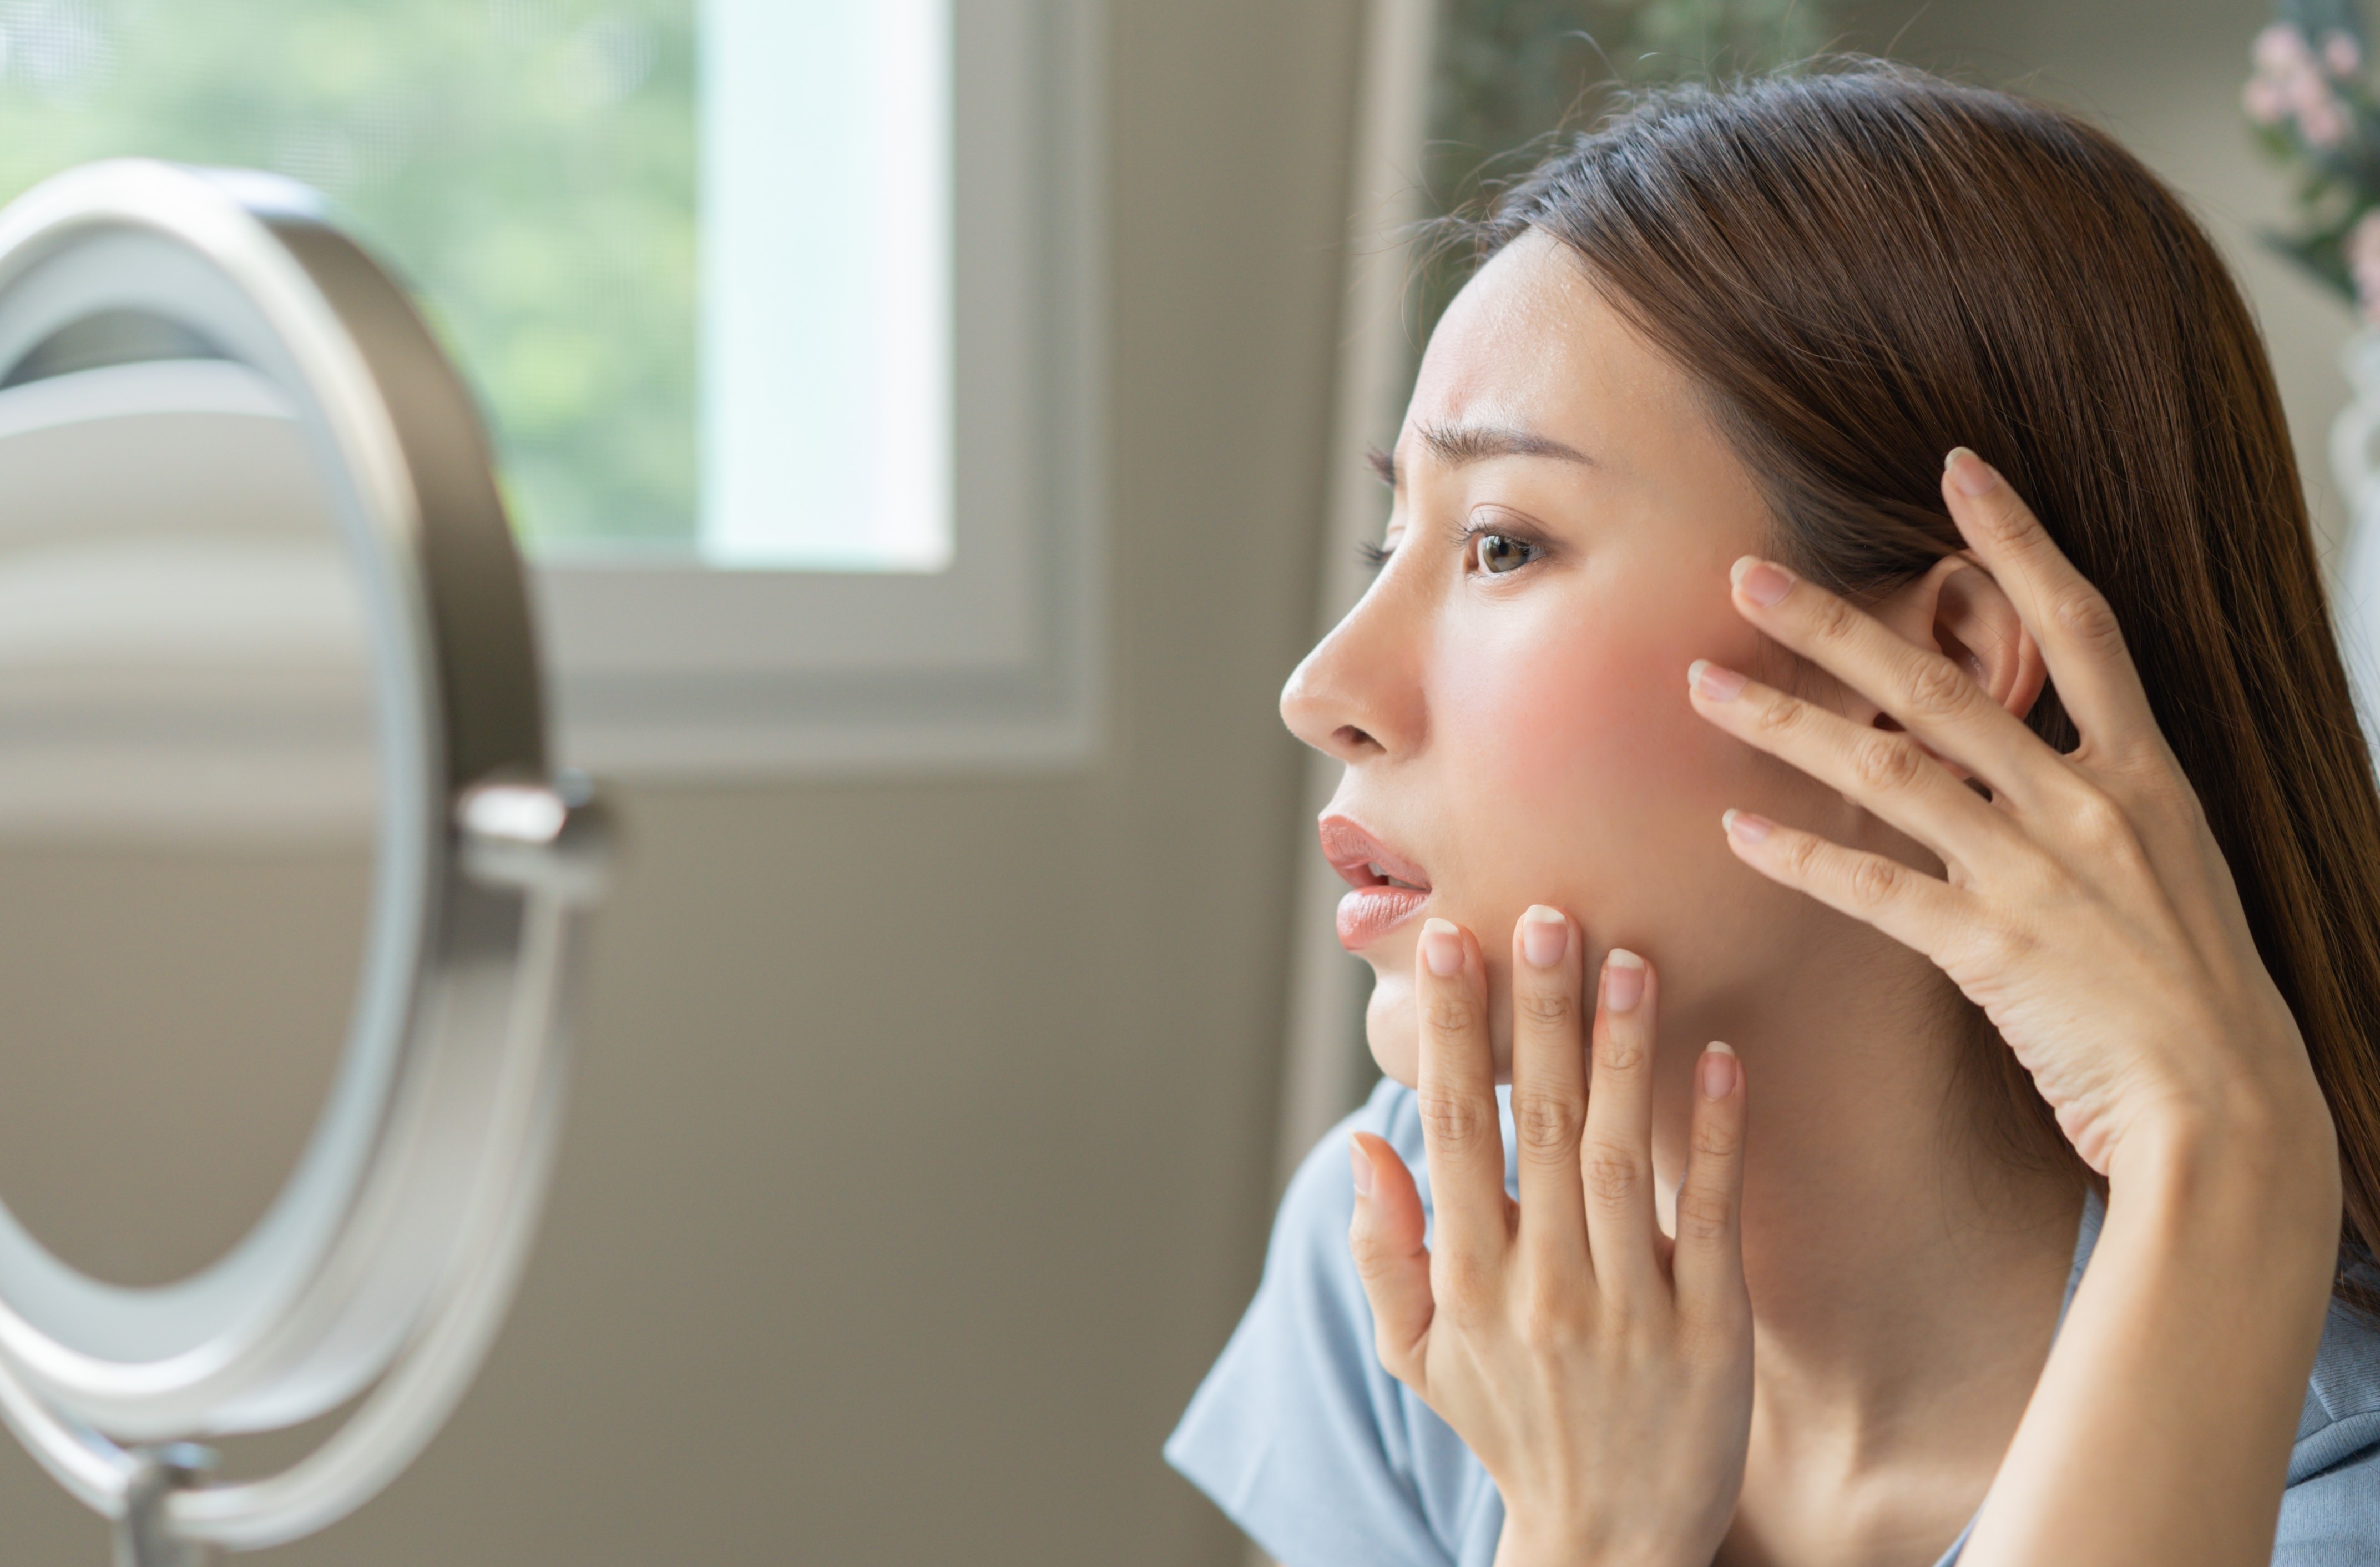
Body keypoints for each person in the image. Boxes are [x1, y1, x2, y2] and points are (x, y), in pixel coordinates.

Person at [1165, 64, 2380, 1567]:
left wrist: (2222, 1163)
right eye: (1387, 535)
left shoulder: (2323, 1496)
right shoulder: (1440, 1248)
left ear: (1934, 662)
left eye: (1498, 545)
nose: (1321, 688)